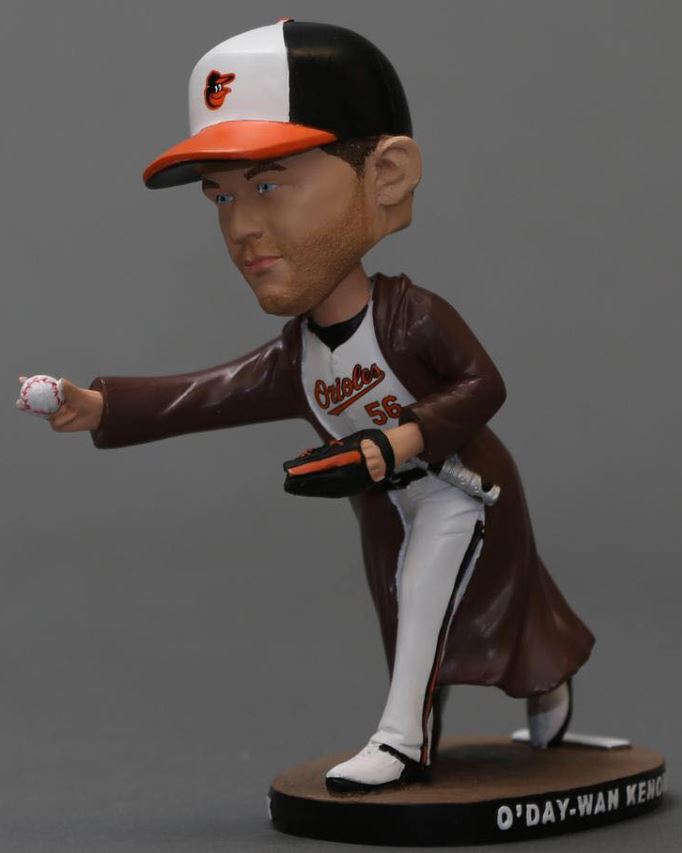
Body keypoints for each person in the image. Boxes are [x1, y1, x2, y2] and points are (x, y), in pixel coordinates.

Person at [17, 20, 593, 792]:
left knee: (431, 599)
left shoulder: (411, 316)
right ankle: (541, 688)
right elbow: (209, 392)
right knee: (443, 614)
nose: (240, 226)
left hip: (463, 488)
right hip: (391, 509)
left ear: (386, 175)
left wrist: (396, 442)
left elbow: (483, 386)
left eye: (267, 185)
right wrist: (101, 407)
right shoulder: (300, 354)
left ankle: (403, 742)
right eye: (221, 196)